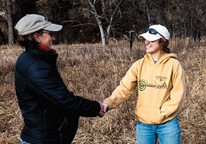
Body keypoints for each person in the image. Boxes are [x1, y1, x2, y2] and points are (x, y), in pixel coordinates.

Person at [14, 14, 105, 144]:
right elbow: (64, 100)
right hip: (44, 140)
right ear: (36, 37)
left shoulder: (33, 59)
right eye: (50, 34)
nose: (54, 38)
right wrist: (95, 108)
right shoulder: (36, 66)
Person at [102, 24, 186, 144]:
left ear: (162, 41)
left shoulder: (174, 65)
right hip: (144, 125)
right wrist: (108, 103)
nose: (146, 42)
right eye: (145, 39)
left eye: (151, 40)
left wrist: (162, 113)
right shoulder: (138, 65)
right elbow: (124, 89)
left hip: (168, 124)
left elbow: (179, 94)